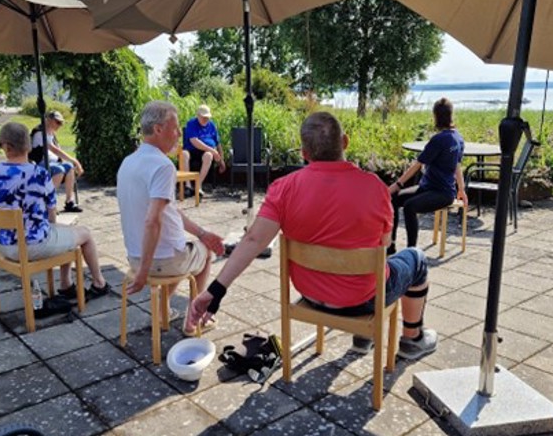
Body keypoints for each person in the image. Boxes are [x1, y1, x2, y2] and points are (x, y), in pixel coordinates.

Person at [187, 111, 438, 360]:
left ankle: (364, 337)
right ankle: (412, 339)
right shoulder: (375, 187)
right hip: (363, 301)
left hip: (311, 295)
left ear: (304, 153)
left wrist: (216, 290)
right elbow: (384, 246)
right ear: (345, 142)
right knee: (415, 258)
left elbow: (253, 239)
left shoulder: (283, 188)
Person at [0, 122, 110, 299]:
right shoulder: (40, 174)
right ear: (28, 146)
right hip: (35, 246)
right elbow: (52, 213)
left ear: (6, 147)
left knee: (65, 234)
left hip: (5, 247)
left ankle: (67, 285)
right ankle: (99, 283)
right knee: (83, 234)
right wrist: (53, 228)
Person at [117, 101, 225, 336]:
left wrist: (202, 233)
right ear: (158, 129)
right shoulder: (163, 166)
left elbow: (170, 211)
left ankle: (162, 310)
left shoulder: (128, 162)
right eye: (175, 128)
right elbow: (152, 221)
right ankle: (193, 321)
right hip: (158, 262)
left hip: (134, 257)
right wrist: (144, 271)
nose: (178, 134)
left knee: (183, 248)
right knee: (204, 253)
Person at [388, 98, 467, 255]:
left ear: (436, 116)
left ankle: (411, 252)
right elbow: (458, 166)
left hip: (442, 193)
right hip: (429, 188)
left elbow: (418, 165)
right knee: (394, 199)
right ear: (451, 116)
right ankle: (391, 245)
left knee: (410, 206)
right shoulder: (458, 138)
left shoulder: (439, 139)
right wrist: (461, 189)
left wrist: (397, 185)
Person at [30, 111, 84, 213]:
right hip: (40, 164)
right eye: (58, 122)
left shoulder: (52, 133)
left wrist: (71, 162)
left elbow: (58, 151)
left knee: (69, 166)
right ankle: (48, 203)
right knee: (59, 170)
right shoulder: (40, 133)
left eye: (61, 123)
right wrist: (75, 161)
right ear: (49, 120)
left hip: (53, 163)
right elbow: (55, 150)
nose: (60, 125)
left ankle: (69, 202)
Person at [182, 104, 225, 195]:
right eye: (204, 117)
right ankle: (188, 185)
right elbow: (194, 141)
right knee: (184, 154)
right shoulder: (191, 124)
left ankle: (198, 185)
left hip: (206, 152)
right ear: (198, 115)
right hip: (192, 150)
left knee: (208, 155)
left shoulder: (212, 125)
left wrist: (221, 161)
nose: (206, 119)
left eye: (207, 117)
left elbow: (218, 143)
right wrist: (212, 150)